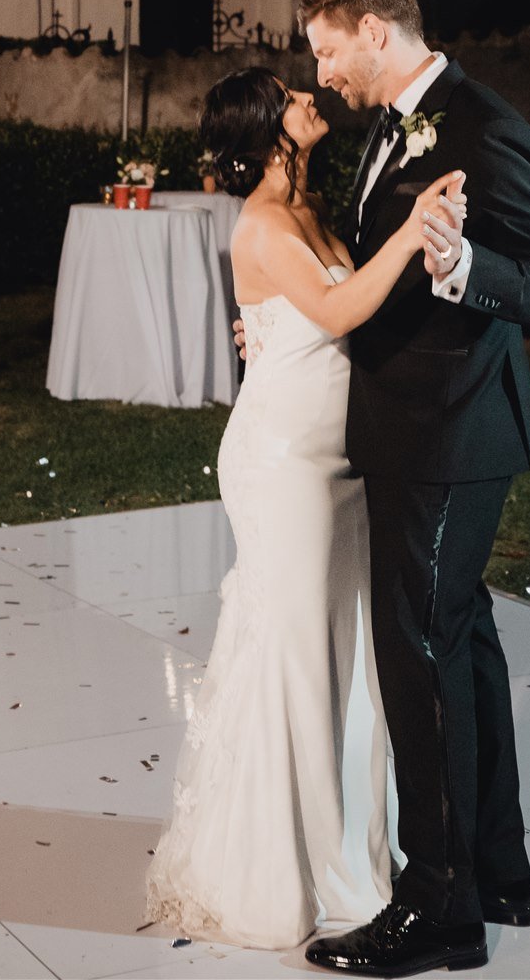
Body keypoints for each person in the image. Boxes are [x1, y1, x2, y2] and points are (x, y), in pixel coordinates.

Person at [240, 0, 530, 978]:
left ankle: (439, 907)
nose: (323, 69)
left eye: (329, 48)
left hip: (448, 430)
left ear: (375, 31)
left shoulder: (482, 124)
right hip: (404, 425)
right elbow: (362, 266)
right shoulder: (390, 125)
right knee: (459, 642)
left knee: (418, 651)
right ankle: (498, 872)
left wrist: (466, 269)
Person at [143, 65, 466, 951]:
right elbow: (334, 305)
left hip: (342, 457)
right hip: (282, 460)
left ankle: (355, 861)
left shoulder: (311, 208)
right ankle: (283, 872)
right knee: (293, 659)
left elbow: (322, 317)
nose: (306, 99)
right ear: (264, 128)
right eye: (289, 96)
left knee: (345, 655)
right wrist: (410, 235)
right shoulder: (259, 222)